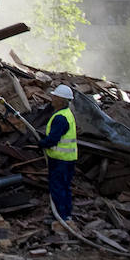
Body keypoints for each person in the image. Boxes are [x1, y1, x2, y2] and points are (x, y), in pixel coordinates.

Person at [38, 84, 78, 222]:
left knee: (58, 187)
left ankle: (60, 217)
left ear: (61, 100)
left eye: (54, 96)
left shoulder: (60, 118)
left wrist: (41, 143)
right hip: (68, 159)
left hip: (60, 160)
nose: (52, 99)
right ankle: (66, 215)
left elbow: (53, 140)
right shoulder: (67, 114)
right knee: (65, 187)